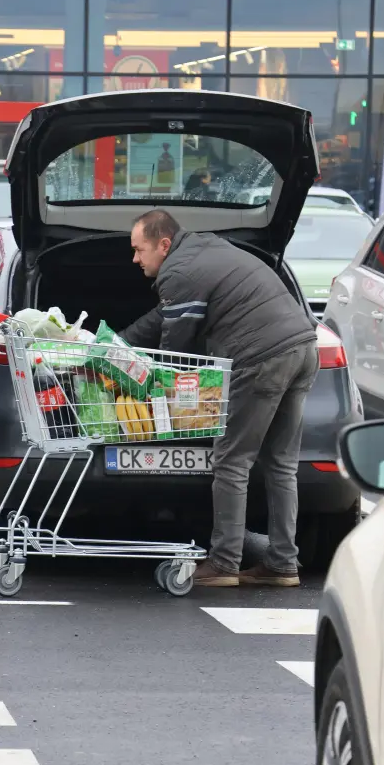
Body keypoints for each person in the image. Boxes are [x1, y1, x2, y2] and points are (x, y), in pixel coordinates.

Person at [122, 209, 319, 588]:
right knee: (281, 465)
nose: (135, 259)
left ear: (163, 244)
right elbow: (164, 316)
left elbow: (175, 349)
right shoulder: (205, 249)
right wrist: (119, 341)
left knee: (231, 461)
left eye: (139, 249)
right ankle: (282, 563)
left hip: (261, 359)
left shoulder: (178, 271)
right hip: (304, 348)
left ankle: (224, 563)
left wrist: (151, 387)